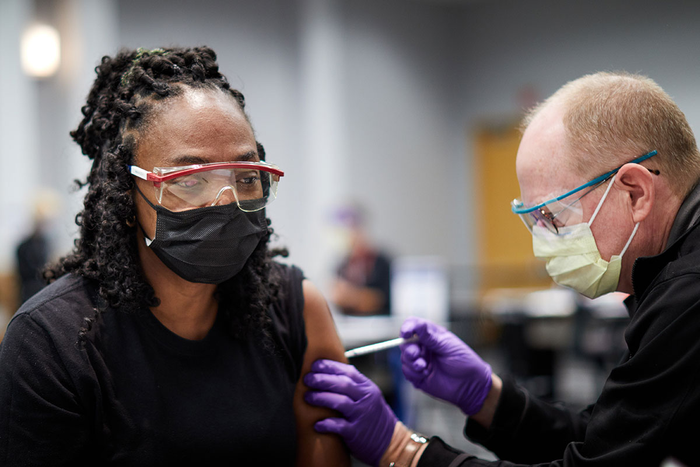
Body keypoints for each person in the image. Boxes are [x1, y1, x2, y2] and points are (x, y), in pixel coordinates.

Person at [303, 71, 700, 466]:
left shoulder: (688, 295)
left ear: (635, 192)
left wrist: (405, 452)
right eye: (534, 221)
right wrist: (489, 398)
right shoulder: (675, 272)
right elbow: (610, 439)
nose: (543, 243)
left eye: (553, 216)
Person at [0, 46, 350, 466]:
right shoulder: (51, 343)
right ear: (126, 197)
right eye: (189, 179)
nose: (226, 202)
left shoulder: (297, 309)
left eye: (245, 176)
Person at [330, 203, 392, 316]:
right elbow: (337, 297)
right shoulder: (343, 264)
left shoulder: (382, 263)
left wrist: (352, 296)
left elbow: (383, 299)